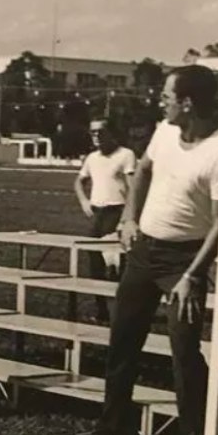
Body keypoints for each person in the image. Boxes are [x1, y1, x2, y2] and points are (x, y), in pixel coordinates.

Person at [75, 65, 218, 435]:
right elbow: (142, 171)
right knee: (123, 337)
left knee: (183, 350)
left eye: (166, 96)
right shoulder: (164, 132)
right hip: (144, 253)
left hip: (184, 261)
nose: (161, 102)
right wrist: (129, 219)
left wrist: (192, 277)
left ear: (188, 102)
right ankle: (113, 423)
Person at [74, 118, 137, 321]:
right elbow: (78, 181)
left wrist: (127, 218)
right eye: (93, 133)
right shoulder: (92, 158)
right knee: (95, 262)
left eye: (100, 132)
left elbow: (133, 189)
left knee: (120, 264)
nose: (96, 136)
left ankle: (124, 310)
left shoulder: (125, 155)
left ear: (111, 132)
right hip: (98, 215)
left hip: (117, 212)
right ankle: (101, 309)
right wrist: (84, 200)